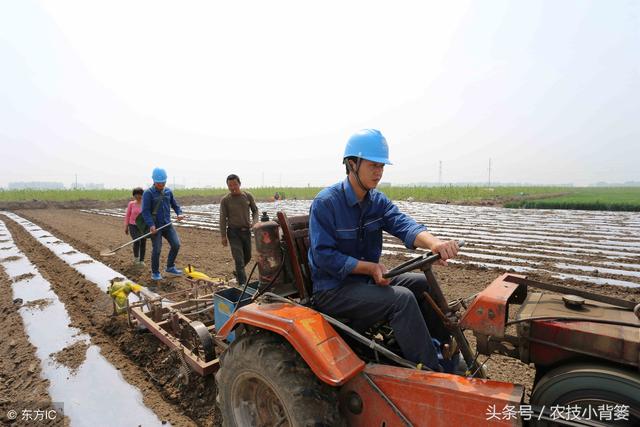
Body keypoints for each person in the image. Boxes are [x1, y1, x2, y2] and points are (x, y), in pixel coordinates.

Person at [308, 129, 460, 372]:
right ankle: (430, 371)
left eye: (382, 166)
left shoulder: (376, 201)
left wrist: (434, 244)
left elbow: (403, 224)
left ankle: (444, 350)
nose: (378, 172)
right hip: (333, 289)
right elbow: (324, 257)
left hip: (365, 282)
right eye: (373, 165)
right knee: (401, 299)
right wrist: (370, 267)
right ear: (352, 164)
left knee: (423, 283)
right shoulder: (327, 203)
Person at [141, 167, 185, 281]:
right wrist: (151, 225)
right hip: (155, 227)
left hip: (167, 224)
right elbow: (145, 212)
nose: (161, 185)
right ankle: (155, 272)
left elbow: (175, 205)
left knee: (176, 244)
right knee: (157, 249)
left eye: (163, 182)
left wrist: (179, 213)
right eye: (159, 183)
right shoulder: (148, 193)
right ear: (154, 181)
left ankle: (170, 267)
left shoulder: (168, 191)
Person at [219, 174, 258, 284]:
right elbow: (222, 218)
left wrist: (255, 223)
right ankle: (242, 284)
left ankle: (238, 272)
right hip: (233, 233)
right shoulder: (225, 200)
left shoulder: (247, 196)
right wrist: (223, 236)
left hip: (246, 232)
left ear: (239, 184)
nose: (233, 187)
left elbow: (255, 210)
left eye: (235, 184)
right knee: (239, 259)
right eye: (230, 185)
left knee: (248, 257)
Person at [124, 187, 146, 265]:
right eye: (135, 195)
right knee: (136, 240)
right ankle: (136, 258)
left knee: (143, 242)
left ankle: (142, 260)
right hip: (132, 225)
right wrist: (126, 226)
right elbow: (128, 215)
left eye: (139, 194)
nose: (137, 196)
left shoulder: (146, 203)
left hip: (143, 226)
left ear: (142, 195)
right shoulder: (131, 204)